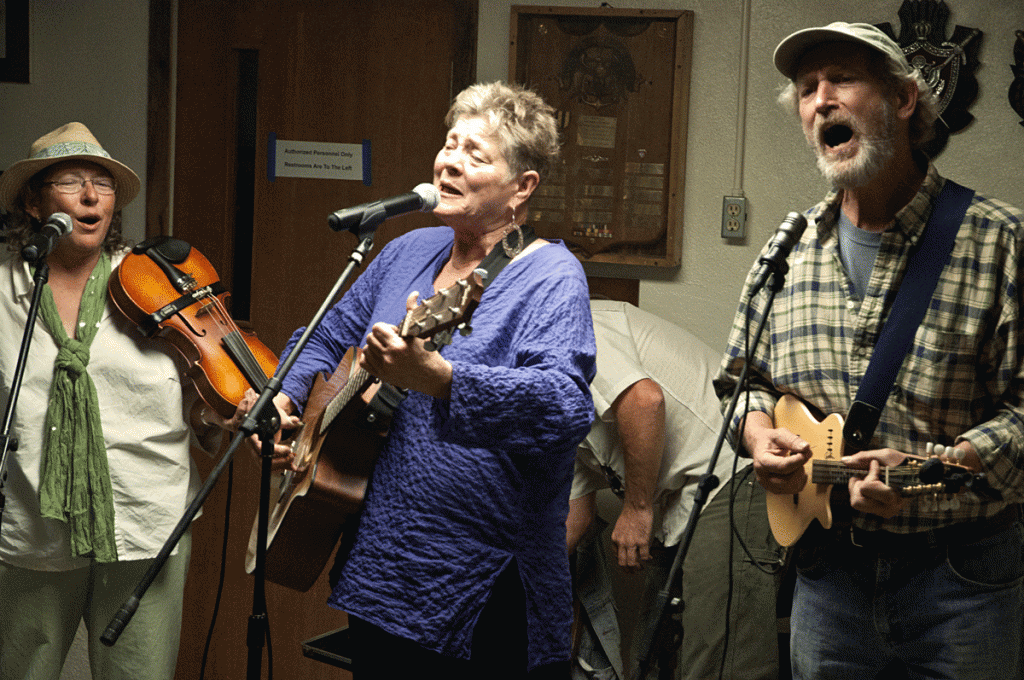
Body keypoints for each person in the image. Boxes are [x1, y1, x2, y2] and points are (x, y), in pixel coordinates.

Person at [250, 81, 596, 678]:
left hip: (483, 581)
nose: (449, 161)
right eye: (449, 143)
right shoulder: (409, 248)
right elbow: (327, 334)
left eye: (476, 154)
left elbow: (564, 406)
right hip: (382, 562)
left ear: (524, 187)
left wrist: (444, 380)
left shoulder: (552, 277)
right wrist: (282, 393)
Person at [714, 22, 1024, 680]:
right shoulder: (788, 249)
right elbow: (742, 383)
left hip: (962, 581)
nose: (820, 98)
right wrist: (759, 435)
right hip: (829, 585)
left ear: (905, 100)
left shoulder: (999, 239)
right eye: (805, 88)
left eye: (842, 79)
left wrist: (933, 470)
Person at [0, 123, 242, 679]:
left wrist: (225, 409)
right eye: (71, 182)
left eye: (102, 185)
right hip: (30, 524)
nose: (90, 196)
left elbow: (201, 391)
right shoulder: (7, 291)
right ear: (35, 204)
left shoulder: (154, 283)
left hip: (143, 517)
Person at [566, 299, 785, 680]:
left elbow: (645, 401)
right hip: (678, 505)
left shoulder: (571, 329)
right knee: (652, 656)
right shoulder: (533, 395)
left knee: (719, 664)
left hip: (730, 471)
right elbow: (575, 516)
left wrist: (635, 508)